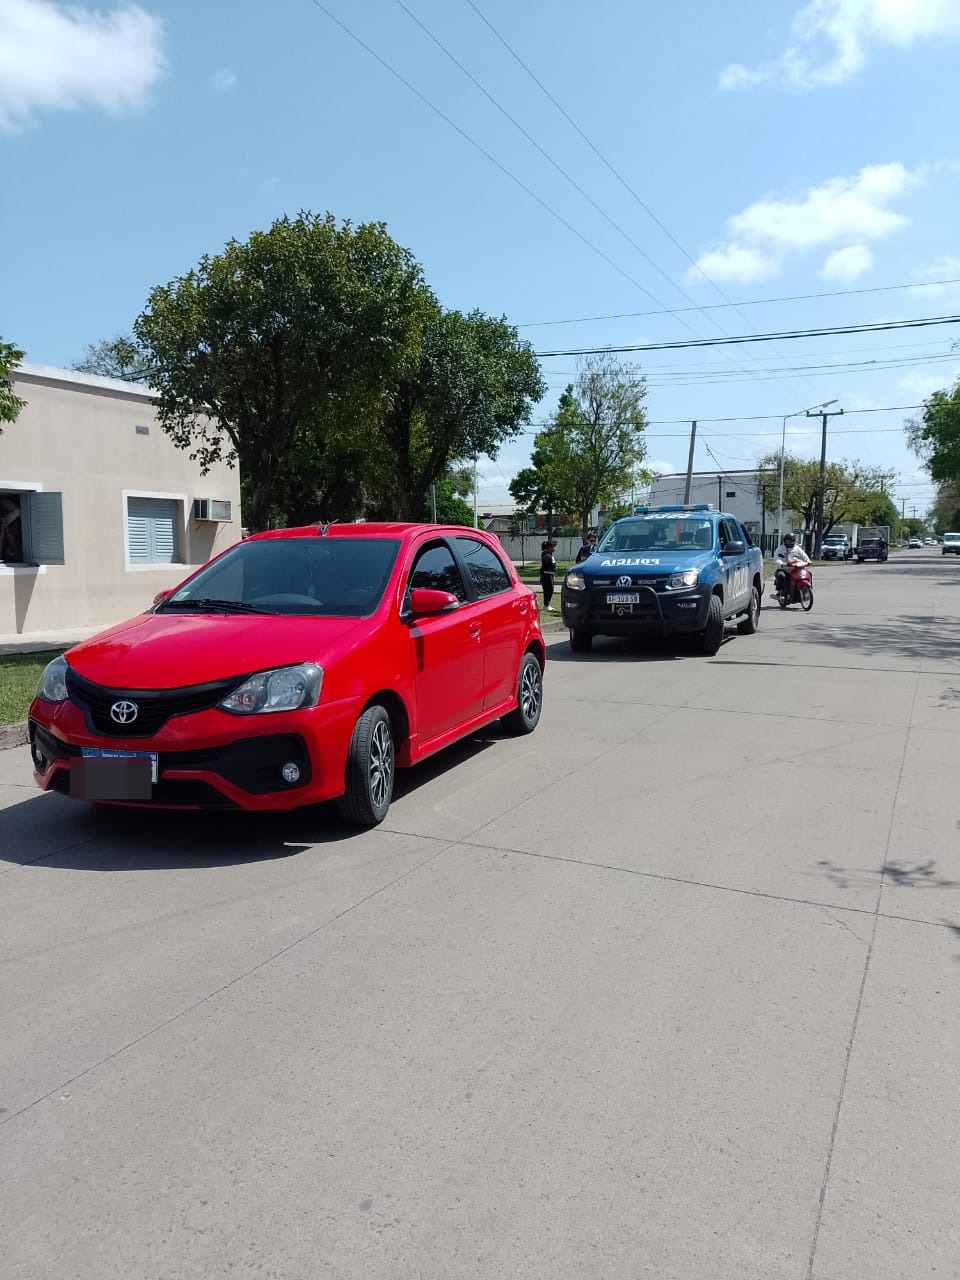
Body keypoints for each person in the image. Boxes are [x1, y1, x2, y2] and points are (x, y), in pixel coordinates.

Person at [773, 533, 810, 599]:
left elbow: (804, 556)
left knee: (809, 573)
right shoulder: (780, 549)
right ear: (785, 541)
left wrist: (808, 561)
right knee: (780, 575)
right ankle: (781, 592)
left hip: (796, 569)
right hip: (785, 569)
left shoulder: (797, 548)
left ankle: (806, 589)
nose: (790, 542)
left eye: (792, 540)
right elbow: (777, 558)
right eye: (788, 540)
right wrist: (781, 564)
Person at [540, 539, 557, 611]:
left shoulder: (550, 555)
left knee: (550, 590)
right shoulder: (546, 556)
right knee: (548, 590)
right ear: (550, 547)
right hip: (547, 576)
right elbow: (546, 566)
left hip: (550, 575)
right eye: (554, 546)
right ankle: (546, 605)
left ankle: (548, 604)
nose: (555, 548)